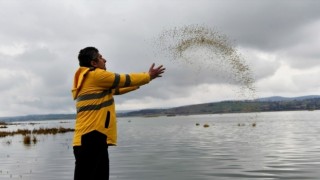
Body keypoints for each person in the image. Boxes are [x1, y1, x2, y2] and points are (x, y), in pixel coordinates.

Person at [71, 47, 165, 180]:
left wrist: (142, 81)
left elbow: (119, 89)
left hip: (88, 138)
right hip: (91, 137)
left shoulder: (90, 80)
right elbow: (124, 79)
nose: (104, 59)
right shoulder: (96, 75)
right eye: (101, 57)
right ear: (94, 63)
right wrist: (148, 76)